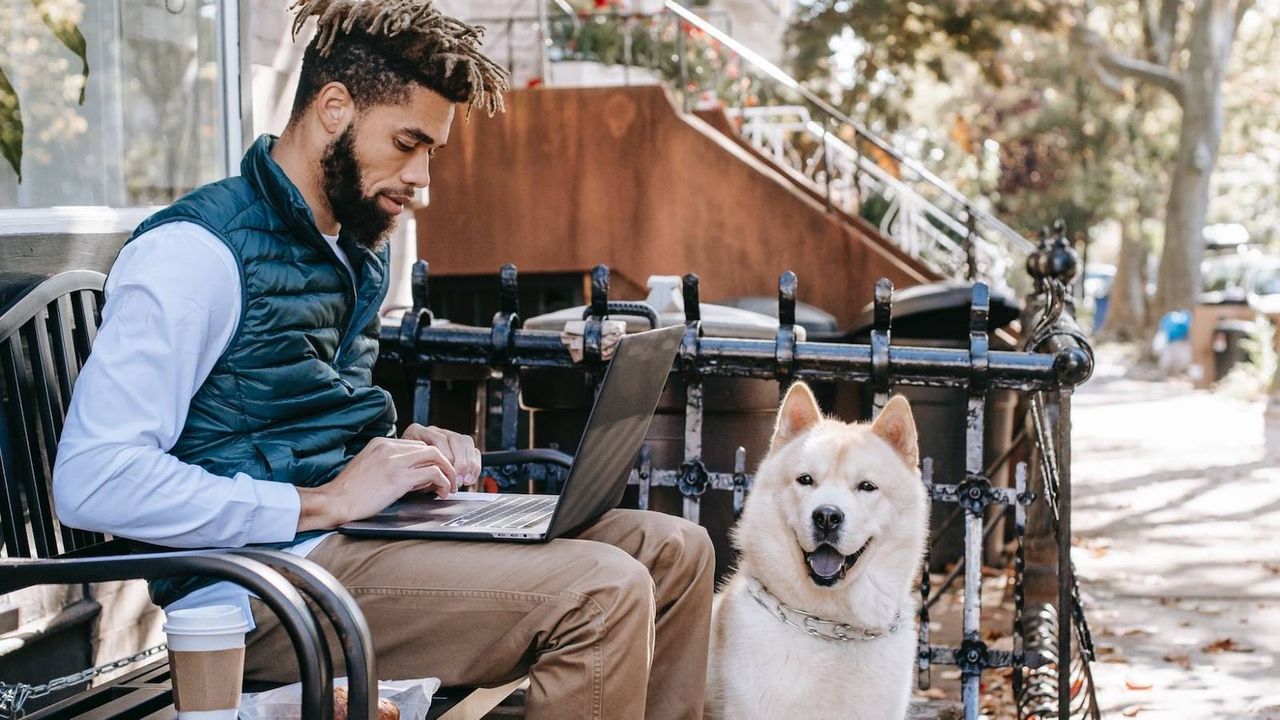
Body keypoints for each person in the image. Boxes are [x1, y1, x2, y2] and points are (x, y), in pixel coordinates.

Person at [51, 2, 714, 718]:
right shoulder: (196, 253)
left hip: (349, 545)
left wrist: (400, 457)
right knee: (602, 590)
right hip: (258, 590)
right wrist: (326, 501)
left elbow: (300, 423)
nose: (421, 177)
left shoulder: (352, 250)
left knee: (678, 551)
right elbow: (92, 479)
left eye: (431, 151)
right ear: (334, 108)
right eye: (406, 143)